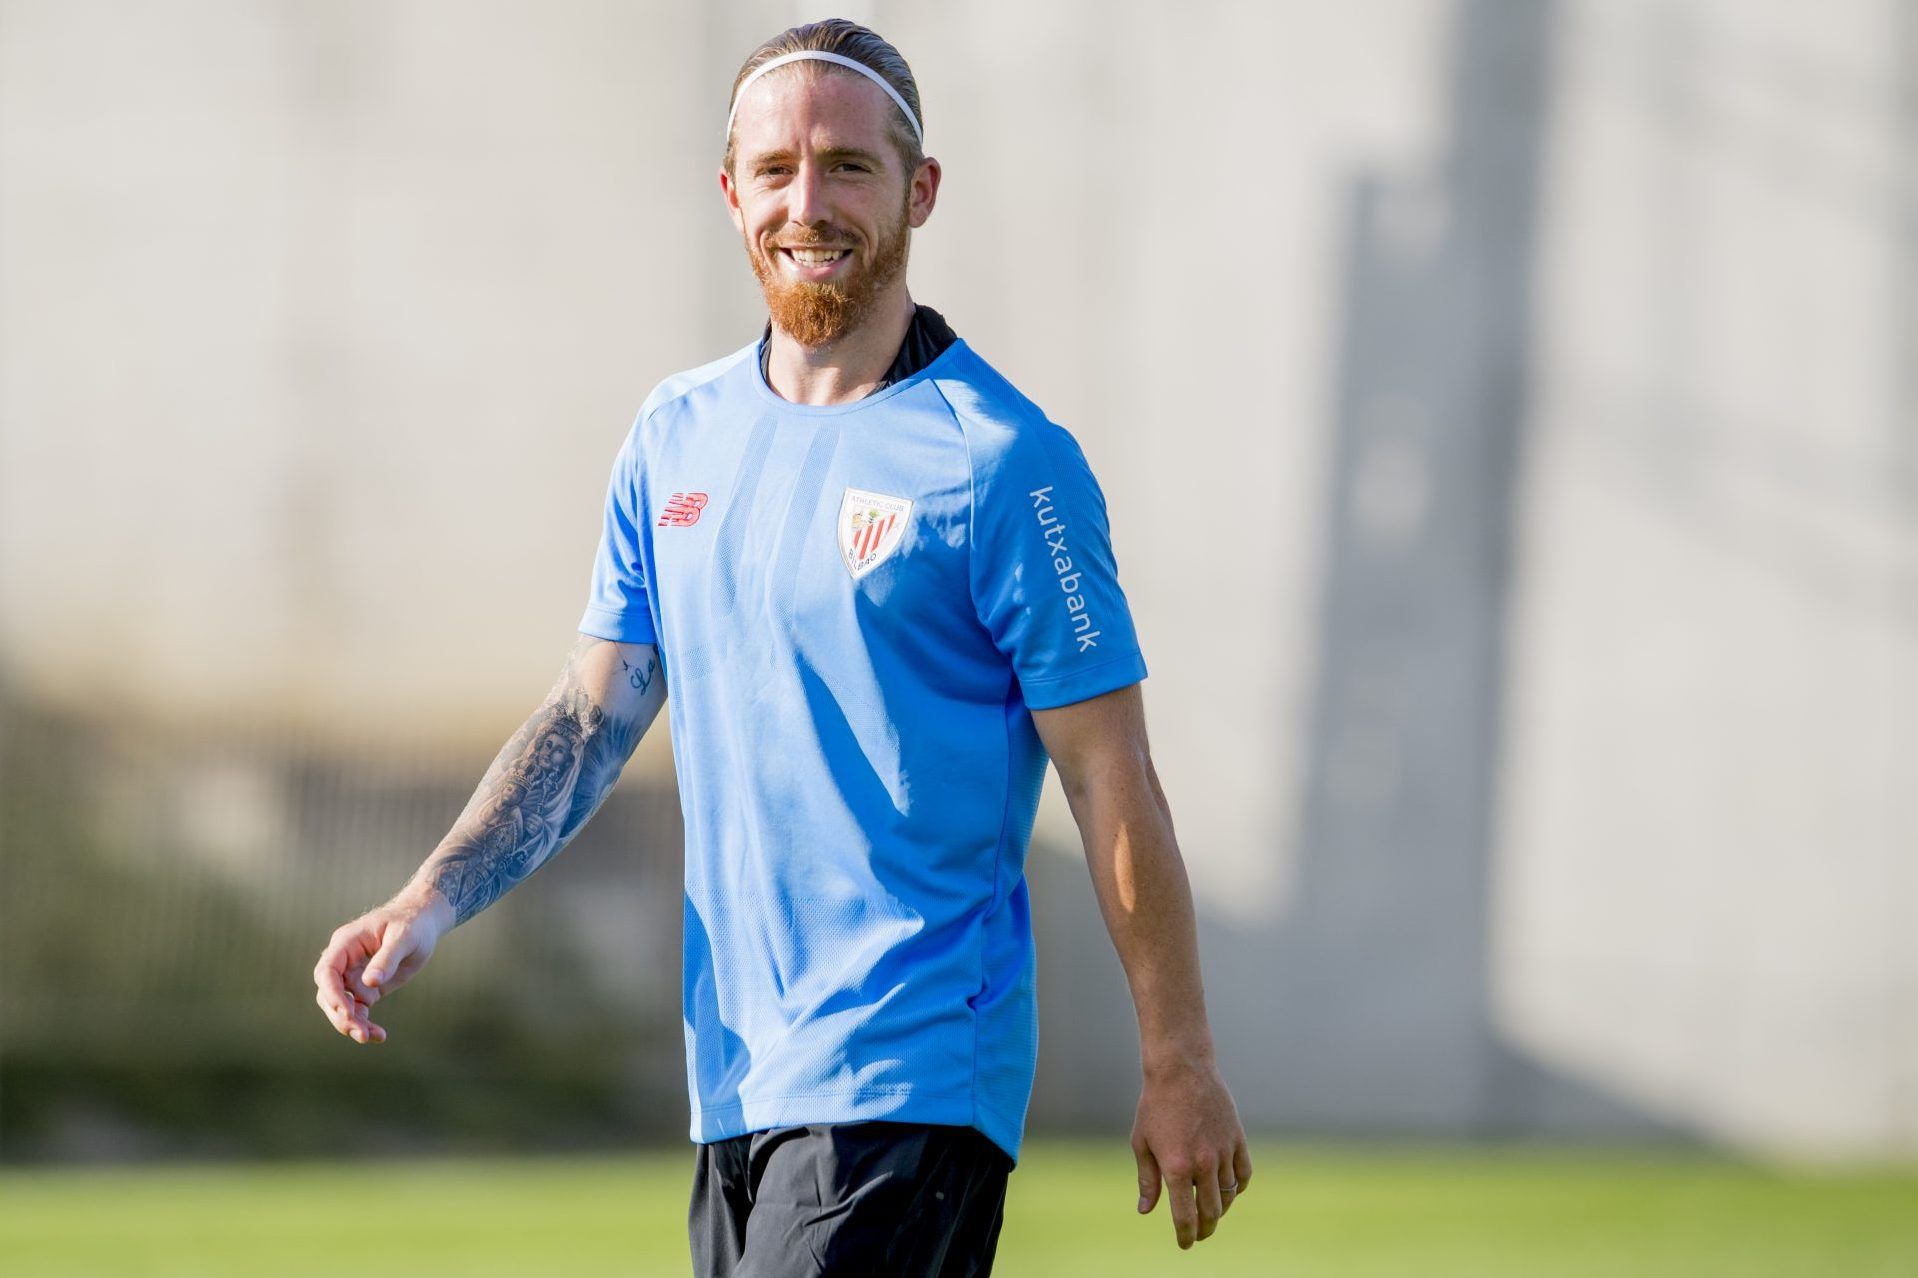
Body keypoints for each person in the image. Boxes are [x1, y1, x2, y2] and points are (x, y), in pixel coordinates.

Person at [312, 19, 1250, 1275]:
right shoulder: (674, 435)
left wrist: (1179, 1059)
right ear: (731, 193)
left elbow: (1108, 771)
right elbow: (589, 722)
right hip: (736, 1078)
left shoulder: (1007, 462)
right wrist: (430, 900)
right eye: (775, 169)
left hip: (913, 1071)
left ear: (920, 191)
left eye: (848, 167)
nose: (807, 204)